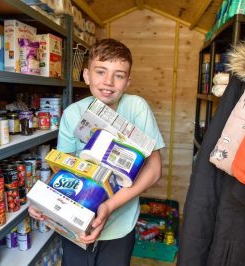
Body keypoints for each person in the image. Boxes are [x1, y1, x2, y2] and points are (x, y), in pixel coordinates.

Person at [29, 38, 165, 266]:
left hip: (119, 226)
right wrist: (45, 200)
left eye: (118, 75)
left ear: (127, 81)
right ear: (86, 75)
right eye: (100, 72)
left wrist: (109, 206)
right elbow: (64, 166)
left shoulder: (135, 108)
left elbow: (154, 169)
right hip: (76, 220)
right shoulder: (73, 113)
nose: (108, 82)